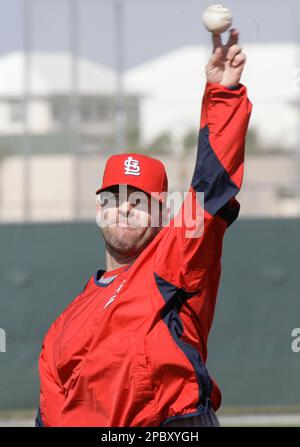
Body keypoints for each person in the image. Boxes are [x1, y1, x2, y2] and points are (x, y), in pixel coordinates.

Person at [35, 29, 252, 427]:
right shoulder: (65, 324)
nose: (124, 210)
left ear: (161, 215)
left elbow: (212, 185)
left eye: (138, 202)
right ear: (99, 209)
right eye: (114, 199)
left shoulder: (174, 263)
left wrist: (222, 94)